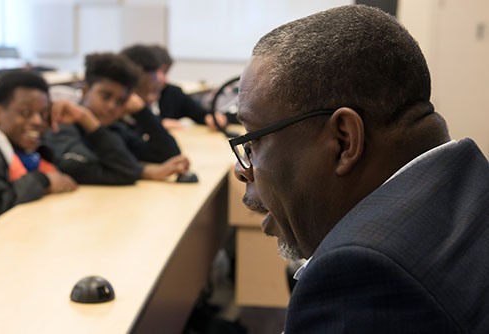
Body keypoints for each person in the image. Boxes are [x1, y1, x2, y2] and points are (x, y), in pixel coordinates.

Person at [231, 5, 489, 333]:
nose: (243, 170)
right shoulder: (471, 182)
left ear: (343, 141)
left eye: (253, 142)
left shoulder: (360, 274)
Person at [44, 53, 189, 185]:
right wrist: (145, 172)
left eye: (121, 101)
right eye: (105, 96)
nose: (112, 106)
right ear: (85, 91)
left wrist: (142, 112)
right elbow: (79, 168)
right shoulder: (63, 125)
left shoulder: (114, 128)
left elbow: (167, 153)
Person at [0, 71, 77, 221]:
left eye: (43, 114)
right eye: (25, 113)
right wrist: (43, 181)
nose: (38, 121)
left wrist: (84, 122)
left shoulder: (35, 152)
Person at [142, 44, 227, 131]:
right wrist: (158, 124)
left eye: (166, 72)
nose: (164, 79)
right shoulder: (136, 97)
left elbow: (199, 113)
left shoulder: (173, 93)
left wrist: (210, 118)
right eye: (161, 72)